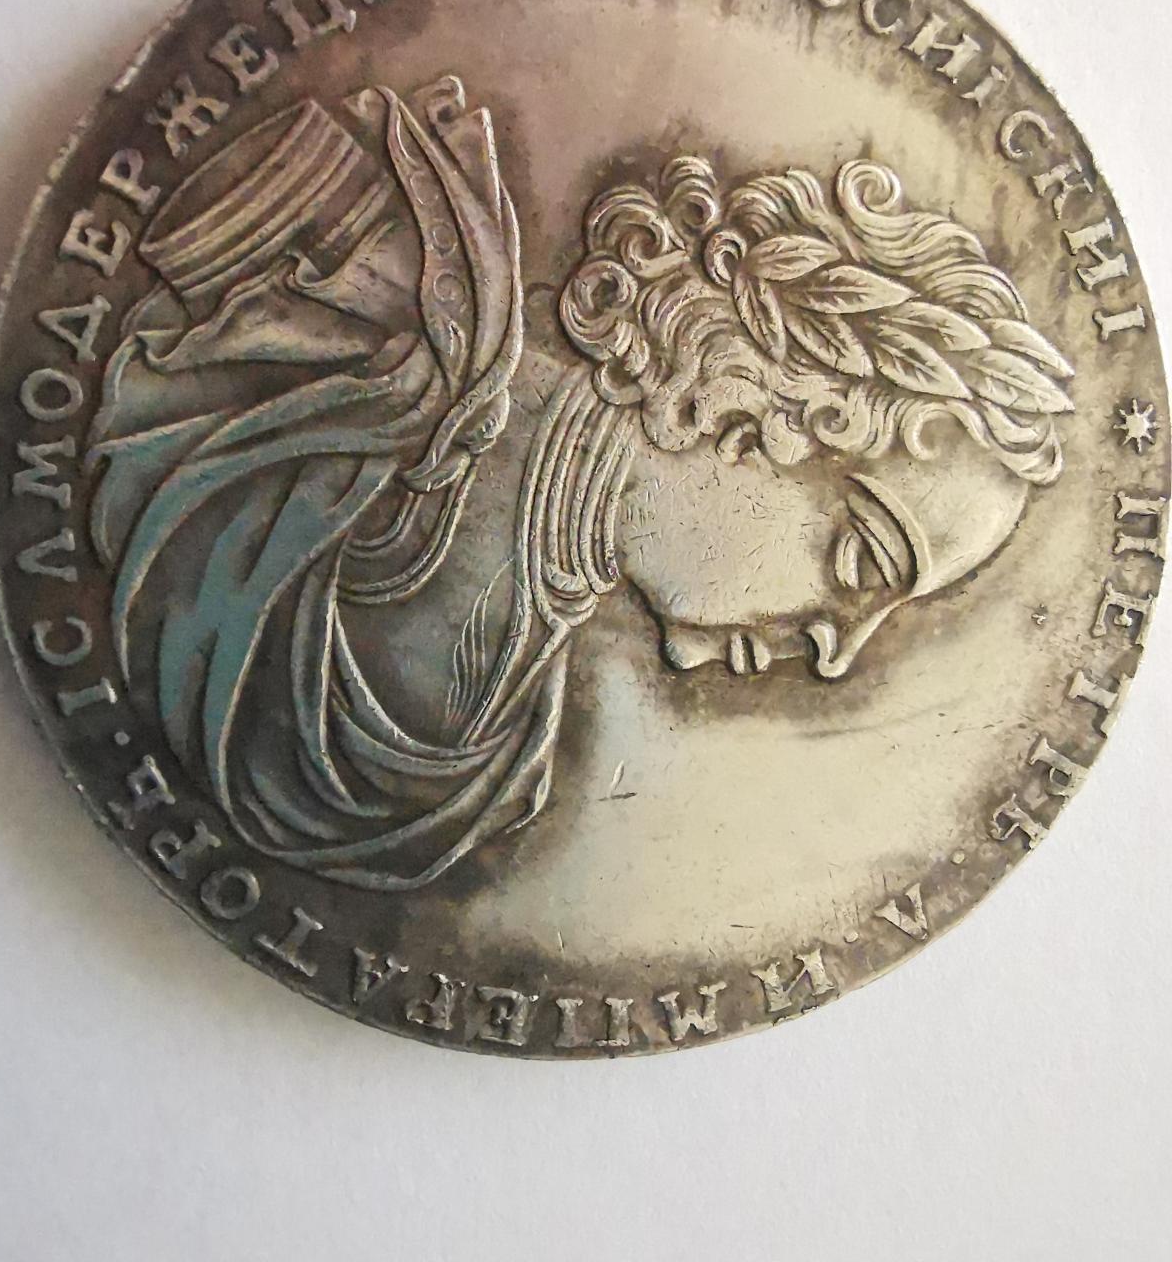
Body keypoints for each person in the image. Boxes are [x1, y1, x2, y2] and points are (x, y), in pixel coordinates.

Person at [88, 75, 1073, 890]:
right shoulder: (347, 267)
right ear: (746, 399)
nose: (837, 647)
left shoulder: (526, 651)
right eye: (859, 559)